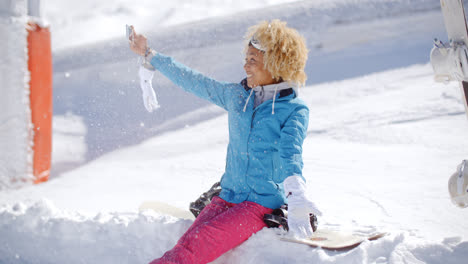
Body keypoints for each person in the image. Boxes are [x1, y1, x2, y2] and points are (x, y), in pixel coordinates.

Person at [129, 19, 321, 264]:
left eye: (253, 60)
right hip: (228, 195)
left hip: (259, 204)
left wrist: (296, 195)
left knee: (196, 245)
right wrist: (149, 55)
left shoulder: (293, 110)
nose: (245, 65)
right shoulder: (237, 97)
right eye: (246, 58)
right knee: (188, 242)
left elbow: (290, 152)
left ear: (276, 64)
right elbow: (195, 81)